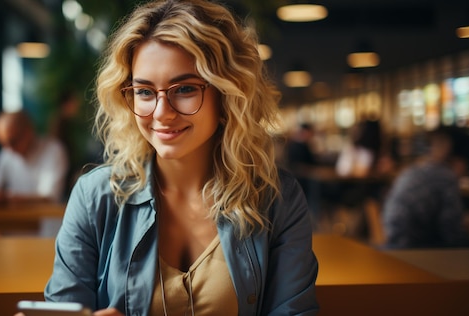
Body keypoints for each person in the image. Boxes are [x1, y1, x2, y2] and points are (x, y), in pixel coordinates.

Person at [36, 1, 319, 315]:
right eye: (144, 91)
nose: (161, 113)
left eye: (184, 88)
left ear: (227, 93)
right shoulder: (95, 198)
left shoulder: (277, 199)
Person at [382, 126, 469, 248]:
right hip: (414, 249)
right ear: (459, 161)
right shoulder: (446, 178)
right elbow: (452, 232)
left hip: (393, 242)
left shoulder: (417, 169)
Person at [0, 110, 69, 205]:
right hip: (15, 219)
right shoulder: (7, 152)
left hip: (47, 219)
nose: (9, 149)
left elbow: (49, 198)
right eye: (3, 143)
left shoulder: (54, 151)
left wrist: (7, 198)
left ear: (29, 131)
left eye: (13, 141)